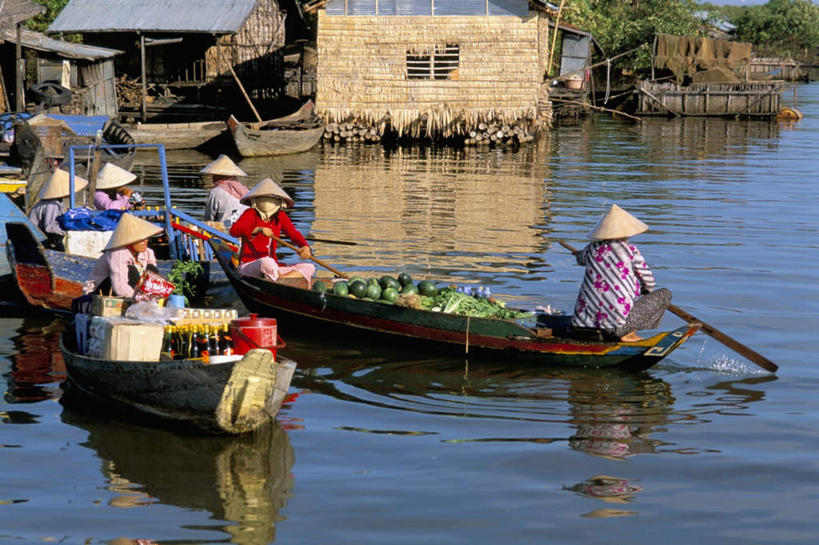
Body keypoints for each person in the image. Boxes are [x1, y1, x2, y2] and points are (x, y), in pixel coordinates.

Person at [571, 204, 671, 342]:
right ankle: (627, 333)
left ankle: (624, 330)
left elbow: (580, 259)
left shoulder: (591, 249)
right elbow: (649, 282)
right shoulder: (630, 251)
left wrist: (578, 254)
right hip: (616, 327)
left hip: (581, 325)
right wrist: (644, 291)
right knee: (665, 294)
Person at [229, 178, 315, 283]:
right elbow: (234, 231)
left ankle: (281, 280)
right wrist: (258, 229)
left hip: (274, 266)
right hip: (249, 266)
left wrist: (304, 246)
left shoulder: (280, 216)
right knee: (267, 262)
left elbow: (293, 234)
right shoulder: (250, 213)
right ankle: (279, 279)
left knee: (309, 267)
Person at [82, 213, 163, 298]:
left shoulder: (148, 253)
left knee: (150, 272)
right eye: (141, 239)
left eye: (146, 238)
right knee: (132, 271)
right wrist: (140, 298)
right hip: (99, 293)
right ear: (130, 241)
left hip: (131, 291)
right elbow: (120, 288)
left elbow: (153, 276)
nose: (145, 241)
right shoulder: (118, 254)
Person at [28, 169, 88, 251]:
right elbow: (49, 227)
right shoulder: (52, 204)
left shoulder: (56, 202)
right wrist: (68, 228)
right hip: (39, 240)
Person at [201, 154, 249, 225]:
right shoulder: (245, 190)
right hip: (245, 228)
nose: (212, 177)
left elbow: (209, 217)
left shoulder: (216, 192)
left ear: (218, 176)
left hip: (225, 229)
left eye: (214, 175)